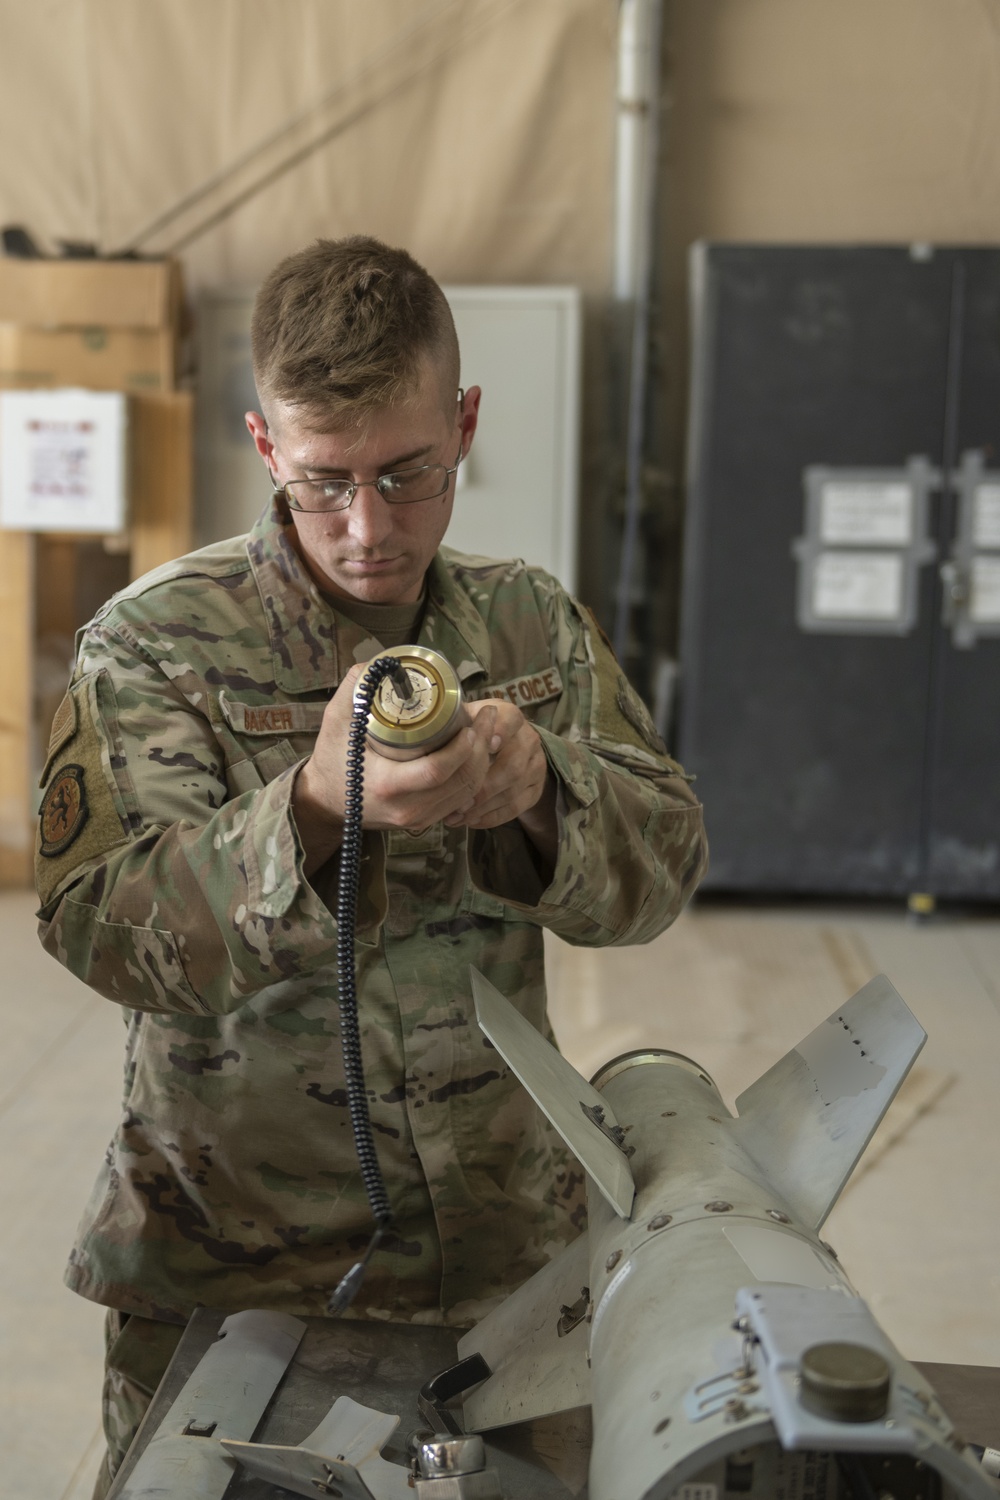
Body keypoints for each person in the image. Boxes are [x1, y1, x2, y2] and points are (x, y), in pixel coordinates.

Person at [35, 236, 707, 1495]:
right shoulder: (158, 644)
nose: (369, 529)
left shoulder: (527, 624)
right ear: (263, 445)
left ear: (464, 423)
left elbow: (663, 869)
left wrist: (539, 791)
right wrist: (303, 808)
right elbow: (101, 927)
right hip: (233, 1270)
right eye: (323, 482)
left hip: (506, 1271)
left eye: (410, 473)